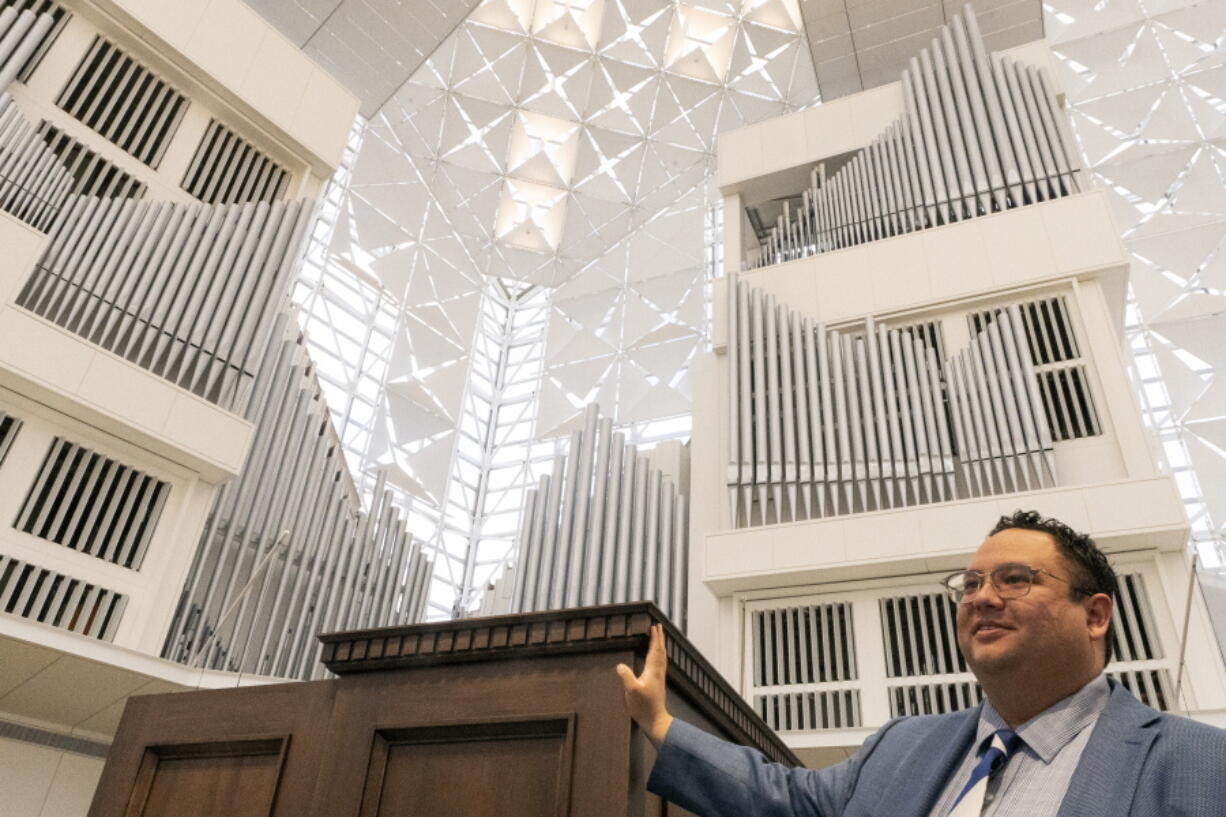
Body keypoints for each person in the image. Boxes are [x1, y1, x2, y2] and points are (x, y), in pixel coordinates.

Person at [616, 510, 1226, 816]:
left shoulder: (1199, 763)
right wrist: (662, 724)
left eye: (1016, 579)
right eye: (969, 584)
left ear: (1095, 616)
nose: (982, 598)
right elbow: (791, 800)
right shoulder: (904, 745)